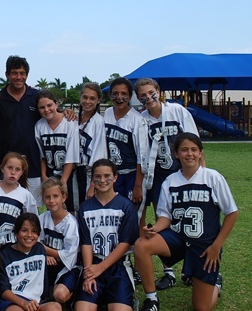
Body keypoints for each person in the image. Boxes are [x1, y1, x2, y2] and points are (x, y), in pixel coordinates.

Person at [134, 133, 238, 311]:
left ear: (200, 153)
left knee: (202, 307)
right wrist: (155, 229)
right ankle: (151, 299)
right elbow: (166, 216)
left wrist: (216, 246)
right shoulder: (170, 181)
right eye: (184, 150)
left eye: (194, 150)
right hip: (179, 237)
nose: (189, 154)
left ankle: (216, 284)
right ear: (176, 154)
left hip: (205, 245)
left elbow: (232, 213)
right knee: (141, 245)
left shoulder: (212, 177)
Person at [136, 78, 200, 289]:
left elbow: (195, 143)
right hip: (158, 177)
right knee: (162, 220)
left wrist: (201, 173)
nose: (148, 98)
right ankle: (168, 271)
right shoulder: (141, 119)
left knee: (188, 219)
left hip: (182, 173)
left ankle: (192, 267)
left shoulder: (177, 111)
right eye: (142, 96)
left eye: (150, 93)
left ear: (158, 91)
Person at [75, 159, 139, 311]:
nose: (102, 180)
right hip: (93, 262)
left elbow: (125, 243)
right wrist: (89, 272)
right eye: (98, 176)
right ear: (92, 179)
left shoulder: (126, 206)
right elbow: (86, 243)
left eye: (107, 176)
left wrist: (101, 268)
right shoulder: (85, 208)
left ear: (115, 177)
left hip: (118, 265)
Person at [0, 55, 43, 204]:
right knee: (6, 207)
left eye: (22, 73)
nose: (18, 77)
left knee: (33, 209)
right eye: (14, 73)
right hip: (5, 166)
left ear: (27, 75)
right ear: (7, 74)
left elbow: (52, 114)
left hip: (33, 165)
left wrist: (66, 113)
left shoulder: (35, 96)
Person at [0, 213, 62, 311]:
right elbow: (3, 290)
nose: (29, 235)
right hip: (12, 301)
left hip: (35, 302)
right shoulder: (4, 256)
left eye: (34, 231)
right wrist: (24, 303)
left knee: (55, 307)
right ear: (16, 233)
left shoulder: (40, 249)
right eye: (24, 231)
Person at [102, 78, 146, 205]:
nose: (119, 97)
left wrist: (138, 186)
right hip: (112, 174)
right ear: (110, 95)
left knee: (131, 213)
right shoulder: (108, 113)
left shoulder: (137, 120)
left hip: (131, 174)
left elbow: (142, 156)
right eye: (115, 93)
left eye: (124, 94)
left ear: (130, 96)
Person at [34, 90, 80, 212]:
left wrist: (64, 180)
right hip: (50, 172)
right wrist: (44, 176)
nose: (46, 110)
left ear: (56, 104)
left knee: (69, 208)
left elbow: (72, 154)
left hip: (68, 174)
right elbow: (42, 155)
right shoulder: (39, 126)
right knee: (52, 206)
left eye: (49, 105)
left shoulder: (70, 123)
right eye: (42, 107)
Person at [37, 178, 80, 305]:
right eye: (47, 197)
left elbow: (70, 254)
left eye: (55, 196)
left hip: (68, 266)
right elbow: (34, 242)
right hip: (48, 262)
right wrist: (46, 255)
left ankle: (74, 291)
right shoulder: (42, 218)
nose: (51, 201)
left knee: (60, 295)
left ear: (64, 197)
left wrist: (47, 251)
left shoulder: (70, 223)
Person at [77, 82, 107, 204]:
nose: (87, 101)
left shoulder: (98, 122)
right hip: (76, 172)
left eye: (92, 98)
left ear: (98, 100)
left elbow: (99, 155)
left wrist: (93, 185)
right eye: (85, 97)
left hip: (89, 174)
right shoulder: (75, 119)